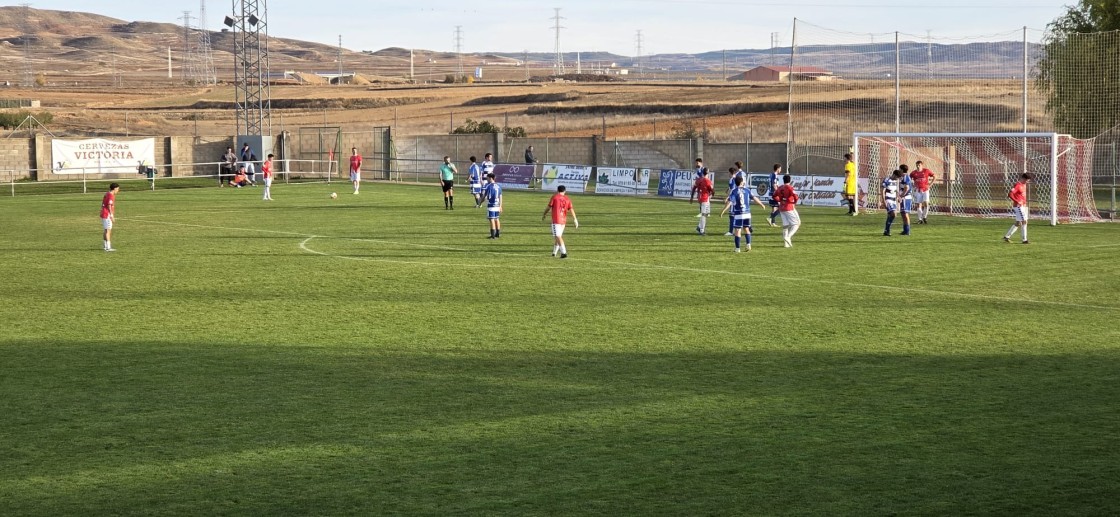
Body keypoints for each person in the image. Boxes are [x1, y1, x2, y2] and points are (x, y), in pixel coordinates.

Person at [719, 175, 767, 253]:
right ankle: (748, 244)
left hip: (739, 214)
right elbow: (754, 198)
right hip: (747, 213)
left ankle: (737, 249)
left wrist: (723, 210)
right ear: (742, 182)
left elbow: (730, 202)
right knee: (746, 229)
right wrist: (761, 204)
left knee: (737, 230)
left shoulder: (734, 191)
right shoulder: (747, 190)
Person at [542, 184, 578, 257]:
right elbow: (571, 209)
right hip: (563, 221)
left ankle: (563, 252)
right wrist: (575, 219)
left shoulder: (554, 197)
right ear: (565, 191)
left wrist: (544, 214)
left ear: (557, 190)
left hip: (556, 220)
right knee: (558, 236)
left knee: (558, 236)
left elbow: (549, 207)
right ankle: (554, 253)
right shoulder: (567, 199)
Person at [773, 174, 801, 248]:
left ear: (783, 180)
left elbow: (774, 195)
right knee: (796, 224)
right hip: (788, 207)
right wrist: (793, 202)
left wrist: (780, 200)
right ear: (790, 180)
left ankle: (786, 244)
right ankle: (788, 237)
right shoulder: (790, 188)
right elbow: (796, 197)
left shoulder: (780, 188)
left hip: (781, 208)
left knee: (785, 226)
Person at [1004, 173, 1031, 244]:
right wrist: (1017, 201)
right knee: (1024, 221)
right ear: (1023, 178)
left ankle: (1006, 237)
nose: (1027, 182)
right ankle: (1024, 240)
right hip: (1019, 206)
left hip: (1023, 206)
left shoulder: (1024, 185)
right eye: (1027, 180)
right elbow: (1010, 194)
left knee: (1018, 222)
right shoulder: (1018, 185)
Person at [690, 168, 714, 235]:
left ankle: (699, 227)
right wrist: (712, 194)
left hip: (700, 198)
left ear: (703, 173)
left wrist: (692, 197)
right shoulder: (707, 181)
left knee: (706, 214)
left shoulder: (698, 180)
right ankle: (702, 230)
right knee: (704, 215)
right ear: (708, 173)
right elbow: (712, 190)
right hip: (705, 199)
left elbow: (694, 188)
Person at [724, 166, 747, 236]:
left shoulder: (731, 179)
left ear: (730, 173)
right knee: (739, 214)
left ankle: (731, 231)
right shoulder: (738, 179)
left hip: (734, 198)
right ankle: (748, 227)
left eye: (728, 172)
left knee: (731, 216)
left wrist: (727, 198)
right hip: (740, 197)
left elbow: (732, 190)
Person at [880, 169, 904, 236]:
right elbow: (882, 191)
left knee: (891, 215)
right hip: (888, 200)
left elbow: (895, 190)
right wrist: (884, 201)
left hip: (893, 200)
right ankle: (887, 230)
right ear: (894, 175)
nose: (897, 179)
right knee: (893, 214)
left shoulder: (895, 181)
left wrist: (898, 196)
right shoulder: (887, 180)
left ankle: (886, 230)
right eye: (897, 177)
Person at [100, 182, 119, 252]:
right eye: (117, 189)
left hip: (103, 213)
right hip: (107, 214)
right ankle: (108, 247)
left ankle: (105, 246)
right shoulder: (111, 195)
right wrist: (111, 216)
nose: (118, 191)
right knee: (108, 230)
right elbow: (109, 205)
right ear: (114, 188)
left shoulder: (106, 193)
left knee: (105, 230)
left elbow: (103, 203)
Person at [483, 173, 503, 239]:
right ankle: (498, 234)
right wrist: (500, 206)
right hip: (497, 205)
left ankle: (493, 235)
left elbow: (484, 196)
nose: (487, 179)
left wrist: (479, 203)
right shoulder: (499, 186)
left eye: (487, 178)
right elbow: (500, 197)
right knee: (497, 219)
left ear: (491, 178)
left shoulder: (488, 186)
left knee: (491, 219)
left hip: (491, 205)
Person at [897, 164, 914, 235]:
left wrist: (901, 195)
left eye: (899, 169)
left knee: (905, 214)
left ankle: (907, 231)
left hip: (906, 198)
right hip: (904, 197)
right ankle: (905, 230)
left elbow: (906, 188)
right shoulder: (903, 177)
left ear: (901, 170)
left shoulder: (906, 177)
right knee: (903, 213)